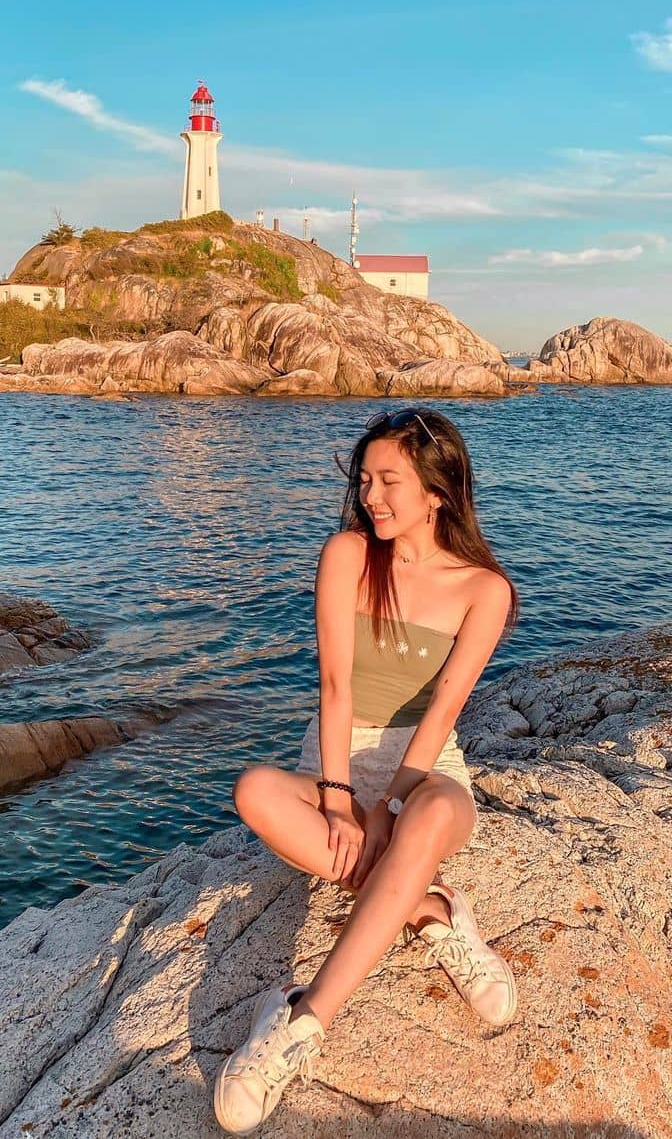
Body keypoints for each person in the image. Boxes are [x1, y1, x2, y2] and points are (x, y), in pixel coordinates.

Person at [214, 407, 520, 1135]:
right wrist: (339, 799)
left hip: (425, 764)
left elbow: (445, 709)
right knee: (253, 791)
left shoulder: (484, 590)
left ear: (437, 491)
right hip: (335, 759)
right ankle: (427, 909)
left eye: (390, 481)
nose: (371, 495)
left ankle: (298, 1022)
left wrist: (389, 808)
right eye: (366, 479)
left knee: (433, 817)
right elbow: (335, 690)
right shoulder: (348, 554)